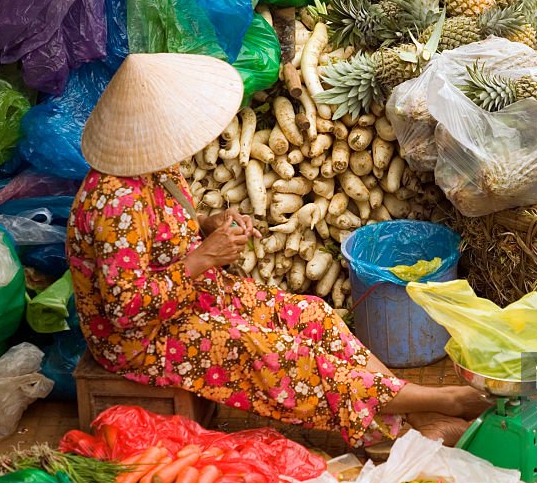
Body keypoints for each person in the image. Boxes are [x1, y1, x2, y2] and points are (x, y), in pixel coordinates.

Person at [67, 53, 488, 449]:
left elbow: (163, 232)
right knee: (277, 355)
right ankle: (442, 401)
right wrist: (204, 258)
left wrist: (207, 226)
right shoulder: (114, 201)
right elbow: (127, 310)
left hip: (192, 297)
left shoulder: (157, 165)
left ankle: (413, 423)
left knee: (313, 316)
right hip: (142, 337)